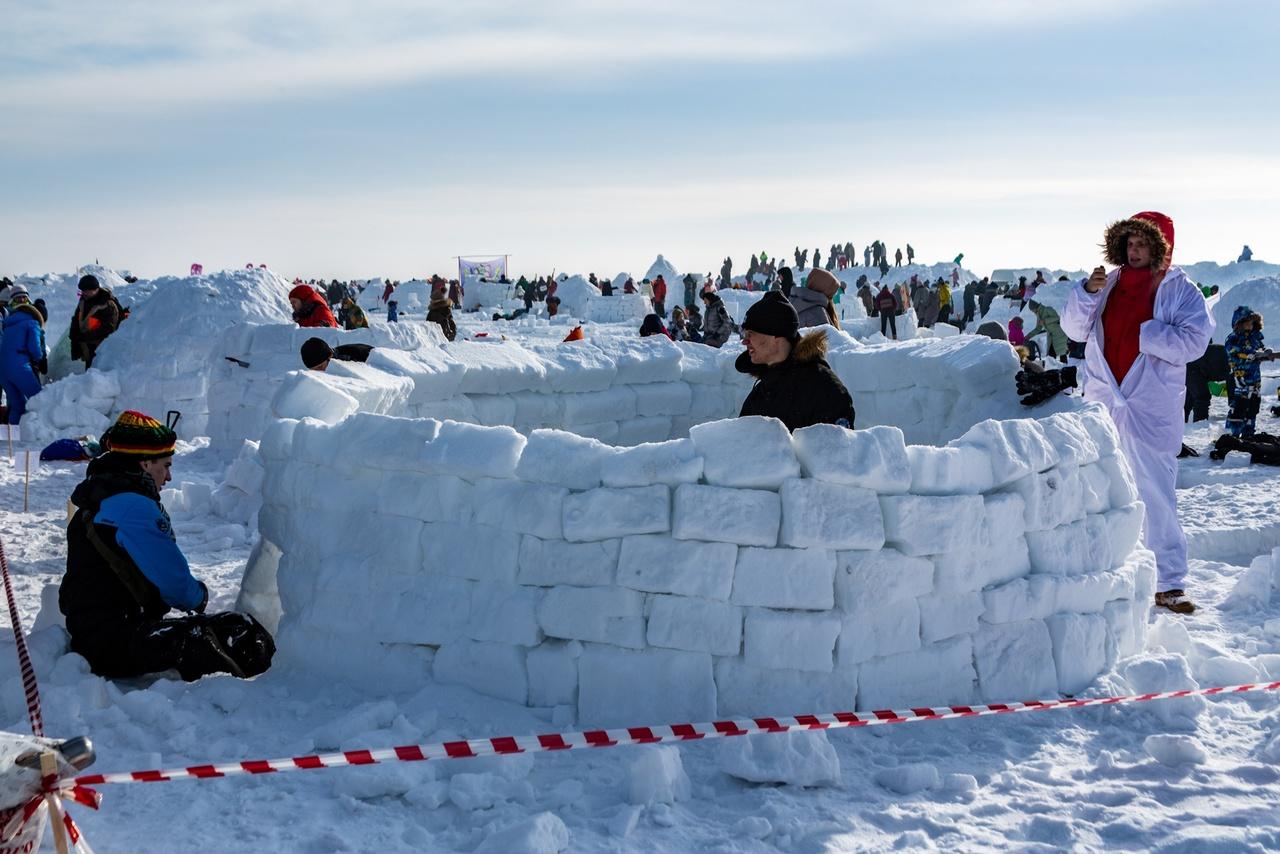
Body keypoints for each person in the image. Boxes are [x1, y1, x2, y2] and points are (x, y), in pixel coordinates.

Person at [1062, 211, 1214, 615]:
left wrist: (1147, 334)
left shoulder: (1182, 291)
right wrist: (1085, 293)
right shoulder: (1107, 284)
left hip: (1150, 403)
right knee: (1099, 485)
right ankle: (1106, 571)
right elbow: (1075, 331)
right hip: (1104, 396)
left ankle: (1168, 583)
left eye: (1142, 243)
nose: (1134, 251)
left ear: (1161, 247)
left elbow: (1196, 341)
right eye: (1129, 243)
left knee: (1155, 492)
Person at [60, 411, 275, 680]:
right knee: (240, 634)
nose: (169, 476)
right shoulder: (132, 506)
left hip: (95, 631)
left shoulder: (103, 495)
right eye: (166, 465)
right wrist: (200, 598)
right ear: (145, 464)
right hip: (112, 640)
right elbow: (176, 585)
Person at [736, 292, 854, 431]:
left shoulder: (822, 389)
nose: (745, 341)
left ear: (776, 336)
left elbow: (835, 449)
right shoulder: (762, 389)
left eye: (751, 334)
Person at [0, 286, 46, 424]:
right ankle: (42, 433)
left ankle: (12, 439)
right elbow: (35, 348)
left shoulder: (7, 324)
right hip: (19, 367)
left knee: (16, 405)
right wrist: (39, 359)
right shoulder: (32, 322)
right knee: (39, 399)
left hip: (2, 370)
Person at [1224, 306, 1269, 437]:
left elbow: (1261, 351)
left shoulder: (1256, 338)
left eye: (1251, 322)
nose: (1250, 325)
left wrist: (1267, 353)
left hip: (1255, 380)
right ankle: (1231, 435)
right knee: (1239, 407)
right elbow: (1232, 353)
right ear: (1239, 323)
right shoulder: (1233, 338)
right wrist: (1248, 355)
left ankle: (1248, 434)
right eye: (1246, 322)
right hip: (1240, 380)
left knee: (1253, 407)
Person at [69, 274, 123, 368]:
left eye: (86, 291)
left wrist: (86, 336)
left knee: (95, 375)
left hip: (101, 349)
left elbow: (109, 329)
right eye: (82, 291)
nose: (83, 294)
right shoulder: (84, 301)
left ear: (95, 290)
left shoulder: (107, 305)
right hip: (87, 347)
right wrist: (74, 337)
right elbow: (77, 318)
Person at [300, 337, 373, 371]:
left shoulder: (352, 358)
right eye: (314, 370)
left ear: (330, 357)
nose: (319, 372)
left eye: (320, 367)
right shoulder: (331, 359)